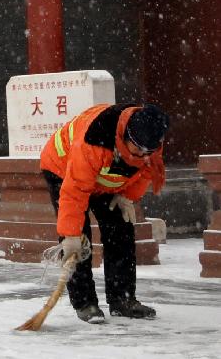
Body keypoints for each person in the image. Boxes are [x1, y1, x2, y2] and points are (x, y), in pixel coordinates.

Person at [40, 102, 170, 324]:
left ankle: (123, 299)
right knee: (79, 241)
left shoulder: (151, 140)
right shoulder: (95, 137)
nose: (141, 154)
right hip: (63, 170)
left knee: (121, 230)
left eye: (147, 150)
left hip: (106, 181)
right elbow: (75, 191)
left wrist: (127, 196)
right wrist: (70, 234)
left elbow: (148, 170)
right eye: (137, 147)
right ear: (126, 133)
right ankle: (85, 303)